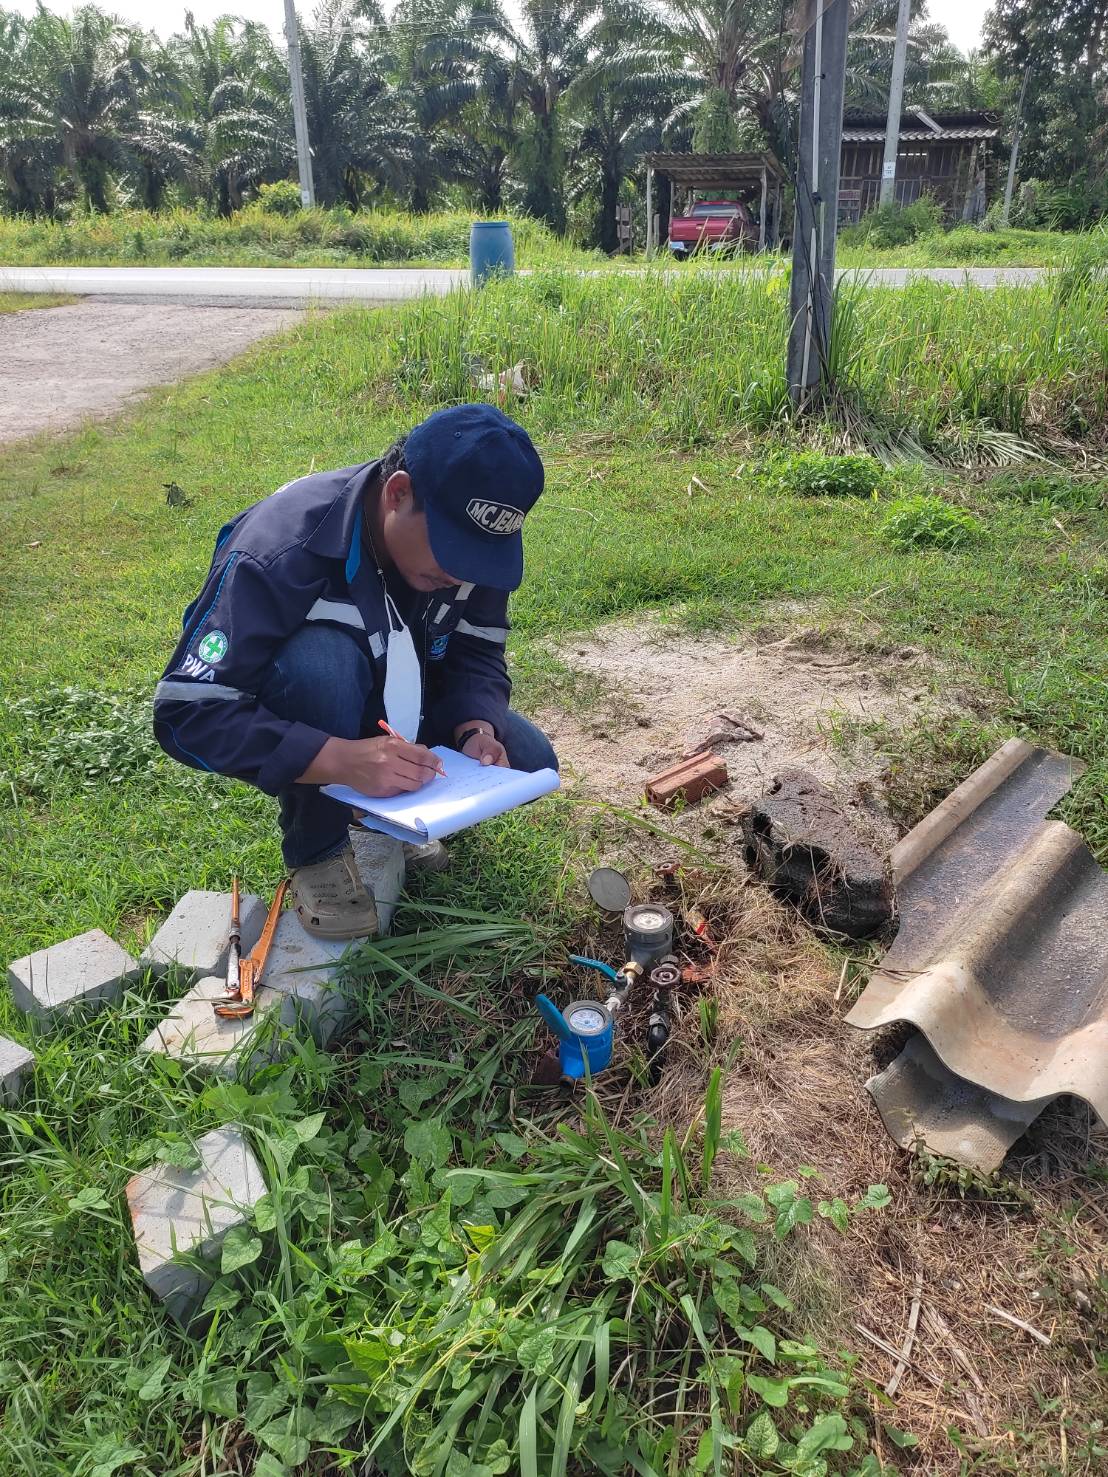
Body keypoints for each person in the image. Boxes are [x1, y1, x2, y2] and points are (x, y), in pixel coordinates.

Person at [153, 403, 557, 940]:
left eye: (480, 558)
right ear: (398, 493)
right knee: (322, 663)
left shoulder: (471, 550)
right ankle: (318, 850)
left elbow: (477, 651)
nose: (462, 574)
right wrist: (341, 760)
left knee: (530, 759)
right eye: (453, 550)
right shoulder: (278, 549)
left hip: (403, 704)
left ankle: (395, 814)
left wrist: (475, 726)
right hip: (318, 709)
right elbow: (187, 713)